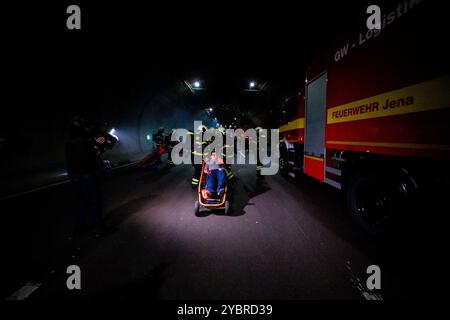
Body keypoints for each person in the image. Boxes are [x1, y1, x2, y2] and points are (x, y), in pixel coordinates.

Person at [65, 119, 107, 237]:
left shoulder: (69, 142)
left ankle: (79, 227)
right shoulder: (83, 142)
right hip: (87, 175)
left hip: (75, 176)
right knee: (95, 201)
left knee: (81, 201)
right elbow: (88, 158)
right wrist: (97, 147)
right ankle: (99, 229)